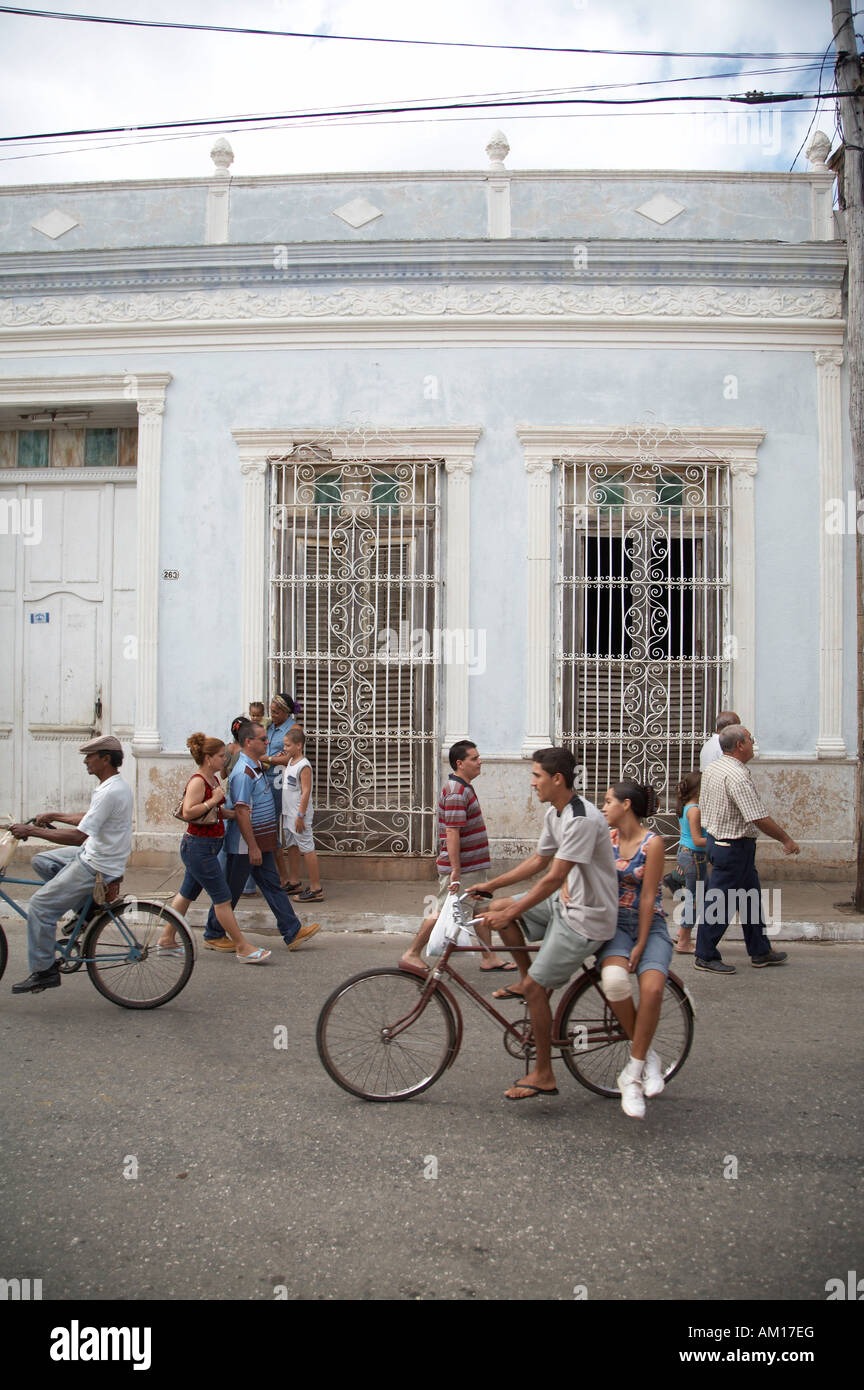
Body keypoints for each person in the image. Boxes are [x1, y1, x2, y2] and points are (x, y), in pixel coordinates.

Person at [471, 747, 618, 1101]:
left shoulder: (581, 818)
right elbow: (539, 860)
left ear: (557, 779)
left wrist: (509, 912)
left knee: (533, 978)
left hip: (586, 917)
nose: (532, 783)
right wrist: (493, 887)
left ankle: (544, 1074)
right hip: (568, 902)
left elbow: (554, 877)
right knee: (507, 907)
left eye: (537, 776)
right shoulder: (557, 813)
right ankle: (526, 978)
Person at [8, 735, 133, 995]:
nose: (86, 761)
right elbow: (89, 819)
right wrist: (54, 815)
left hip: (97, 864)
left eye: (90, 756)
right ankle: (86, 911)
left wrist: (31, 831)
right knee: (42, 861)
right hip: (94, 853)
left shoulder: (110, 791)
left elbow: (79, 836)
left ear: (105, 759)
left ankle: (44, 971)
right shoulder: (110, 786)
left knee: (41, 907)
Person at [399, 739, 517, 975]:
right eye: (474, 758)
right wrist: (455, 869)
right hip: (464, 869)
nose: (479, 761)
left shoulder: (463, 788)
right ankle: (412, 953)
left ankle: (489, 957)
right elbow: (452, 831)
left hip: (473, 867)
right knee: (444, 911)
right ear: (460, 764)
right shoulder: (455, 791)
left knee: (480, 910)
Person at [203, 721, 320, 951]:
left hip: (260, 841)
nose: (268, 742)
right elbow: (242, 811)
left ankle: (292, 930)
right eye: (263, 739)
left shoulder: (255, 765)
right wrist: (253, 846)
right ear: (249, 742)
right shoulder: (243, 772)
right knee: (230, 890)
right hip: (246, 845)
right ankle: (213, 932)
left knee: (272, 885)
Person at [598, 781, 676, 1118]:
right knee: (615, 981)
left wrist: (642, 943)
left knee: (653, 987)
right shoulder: (607, 837)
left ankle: (631, 1073)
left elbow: (648, 897)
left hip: (649, 923)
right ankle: (648, 1056)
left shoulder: (653, 843)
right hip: (613, 925)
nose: (603, 807)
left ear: (626, 805)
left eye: (608, 801)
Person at [695, 724, 799, 974]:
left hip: (721, 842)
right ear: (740, 745)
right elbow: (757, 816)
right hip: (732, 847)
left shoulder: (714, 768)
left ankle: (760, 950)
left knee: (751, 899)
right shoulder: (737, 775)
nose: (753, 743)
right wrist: (785, 839)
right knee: (720, 903)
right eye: (751, 739)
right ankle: (705, 955)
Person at [158, 733, 270, 963]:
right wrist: (213, 800)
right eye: (220, 756)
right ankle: (242, 946)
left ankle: (166, 939)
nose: (224, 760)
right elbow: (189, 812)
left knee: (187, 894)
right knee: (222, 898)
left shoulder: (213, 780)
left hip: (206, 846)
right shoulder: (199, 781)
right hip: (199, 848)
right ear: (208, 758)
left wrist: (232, 813)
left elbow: (212, 813)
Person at [260, 692, 300, 890]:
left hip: (281, 784)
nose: (272, 714)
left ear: (285, 712)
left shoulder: (293, 729)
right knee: (269, 828)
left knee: (285, 830)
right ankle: (279, 875)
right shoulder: (269, 727)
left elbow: (289, 757)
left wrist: (266, 759)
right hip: (264, 782)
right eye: (271, 711)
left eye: (276, 712)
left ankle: (287, 877)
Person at [281, 727, 323, 902]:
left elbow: (306, 792)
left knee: (307, 847)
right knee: (292, 846)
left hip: (298, 814)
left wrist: (300, 815)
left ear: (299, 745)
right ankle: (294, 880)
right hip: (288, 813)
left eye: (288, 745)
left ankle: (316, 888)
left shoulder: (303, 765)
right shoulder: (290, 762)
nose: (285, 748)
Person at [673, 771, 708, 955]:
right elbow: (697, 840)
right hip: (695, 856)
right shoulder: (694, 810)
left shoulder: (685, 807)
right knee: (695, 899)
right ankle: (684, 941)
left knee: (693, 896)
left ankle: (681, 933)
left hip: (686, 854)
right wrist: (716, 841)